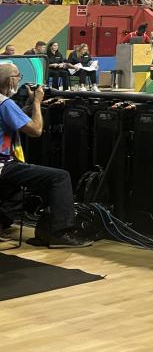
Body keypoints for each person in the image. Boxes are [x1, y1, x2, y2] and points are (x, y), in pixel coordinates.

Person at [0, 63, 89, 246]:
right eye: (18, 76)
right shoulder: (5, 103)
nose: (20, 80)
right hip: (3, 165)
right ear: (9, 81)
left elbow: (15, 120)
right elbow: (36, 130)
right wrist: (37, 103)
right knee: (60, 177)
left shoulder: (4, 103)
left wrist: (29, 104)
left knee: (18, 190)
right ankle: (59, 232)